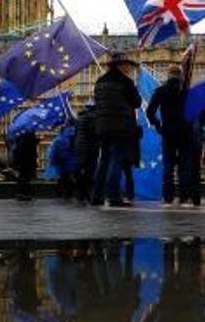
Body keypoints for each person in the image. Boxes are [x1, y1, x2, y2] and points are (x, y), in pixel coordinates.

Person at [91, 53, 142, 207]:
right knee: (116, 159)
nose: (129, 68)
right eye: (127, 65)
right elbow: (137, 102)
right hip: (121, 127)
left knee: (104, 160)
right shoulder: (125, 82)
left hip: (101, 127)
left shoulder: (99, 81)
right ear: (120, 65)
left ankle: (97, 196)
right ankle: (113, 196)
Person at [146, 66, 194, 205]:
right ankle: (184, 195)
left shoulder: (161, 91)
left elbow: (149, 111)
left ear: (168, 75)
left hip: (168, 131)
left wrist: (157, 124)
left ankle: (168, 196)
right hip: (185, 131)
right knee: (184, 165)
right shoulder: (186, 92)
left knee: (168, 165)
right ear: (180, 76)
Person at [74, 104, 98, 203]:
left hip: (79, 146)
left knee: (80, 169)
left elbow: (76, 134)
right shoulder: (92, 118)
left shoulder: (79, 119)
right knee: (90, 171)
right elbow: (94, 134)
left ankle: (80, 193)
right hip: (90, 147)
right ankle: (86, 193)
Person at [11, 131, 38, 201]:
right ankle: (24, 193)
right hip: (26, 161)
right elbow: (26, 150)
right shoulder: (27, 137)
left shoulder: (20, 137)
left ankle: (23, 193)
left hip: (23, 161)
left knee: (23, 177)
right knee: (25, 177)